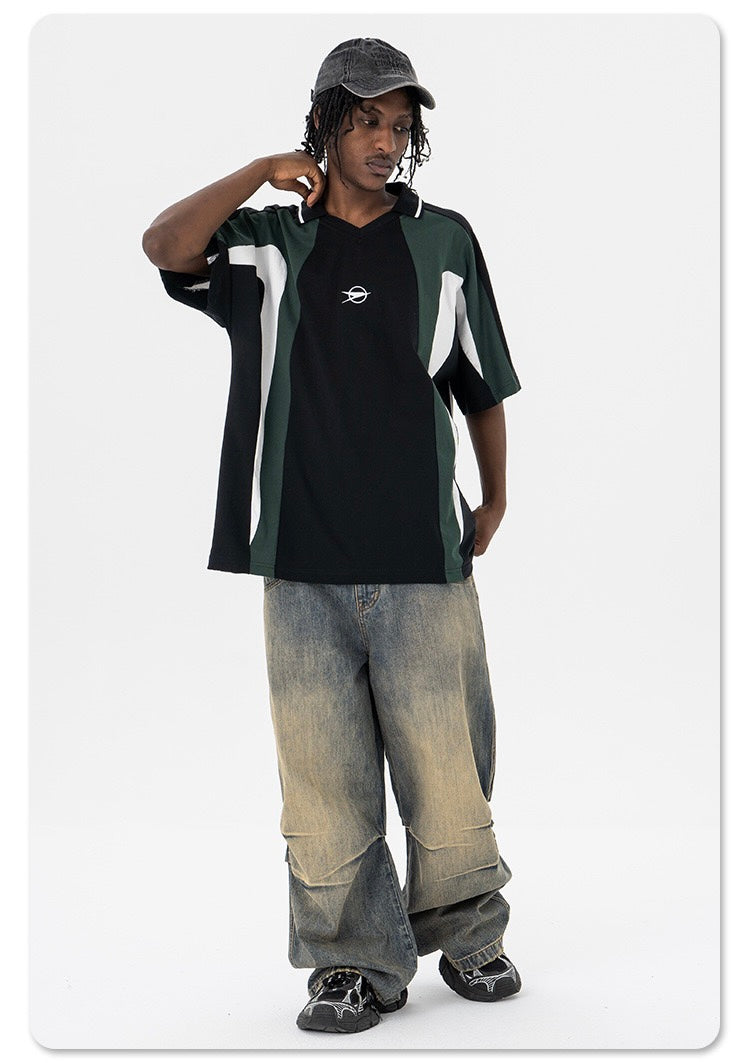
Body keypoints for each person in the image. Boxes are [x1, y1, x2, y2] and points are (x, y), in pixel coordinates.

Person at [142, 37, 522, 1035]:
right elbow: (164, 244)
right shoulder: (266, 243)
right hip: (299, 558)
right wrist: (255, 170)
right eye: (365, 121)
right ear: (322, 123)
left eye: (399, 125)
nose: (385, 141)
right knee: (321, 778)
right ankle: (351, 960)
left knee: (448, 762)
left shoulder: (444, 241)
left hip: (422, 555)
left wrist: (493, 499)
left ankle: (469, 932)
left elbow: (479, 382)